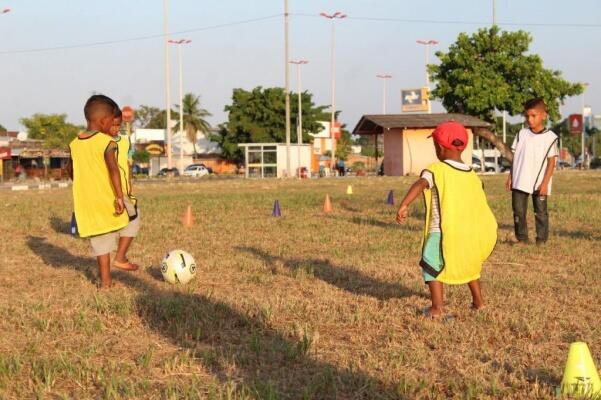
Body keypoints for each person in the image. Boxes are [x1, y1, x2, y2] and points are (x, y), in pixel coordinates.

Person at [396, 121, 497, 319]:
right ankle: (478, 302)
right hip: (467, 231)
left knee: (430, 263)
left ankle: (437, 308)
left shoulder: (436, 169)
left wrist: (404, 204)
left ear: (440, 147)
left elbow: (420, 184)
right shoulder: (472, 174)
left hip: (440, 231)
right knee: (470, 265)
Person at [68, 94, 132, 288]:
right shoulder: (107, 143)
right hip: (107, 198)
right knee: (133, 220)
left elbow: (70, 169)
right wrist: (119, 197)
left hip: (87, 202)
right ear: (104, 121)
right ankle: (121, 256)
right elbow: (114, 170)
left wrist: (81, 184)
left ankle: (105, 282)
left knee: (100, 242)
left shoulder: (74, 144)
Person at [505, 98, 558, 245]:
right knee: (518, 211)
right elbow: (515, 158)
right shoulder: (521, 134)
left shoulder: (550, 138)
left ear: (544, 116)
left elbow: (551, 162)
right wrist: (510, 177)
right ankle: (522, 238)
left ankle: (541, 239)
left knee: (540, 212)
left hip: (539, 182)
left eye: (533, 116)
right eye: (527, 116)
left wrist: (545, 183)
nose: (530, 119)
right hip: (520, 179)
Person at [108, 108, 140, 271]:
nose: (115, 128)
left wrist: (129, 186)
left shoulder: (126, 141)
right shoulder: (101, 142)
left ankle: (117, 259)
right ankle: (119, 258)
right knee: (132, 219)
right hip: (109, 190)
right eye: (112, 124)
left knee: (132, 218)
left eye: (118, 124)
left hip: (124, 190)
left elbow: (127, 164)